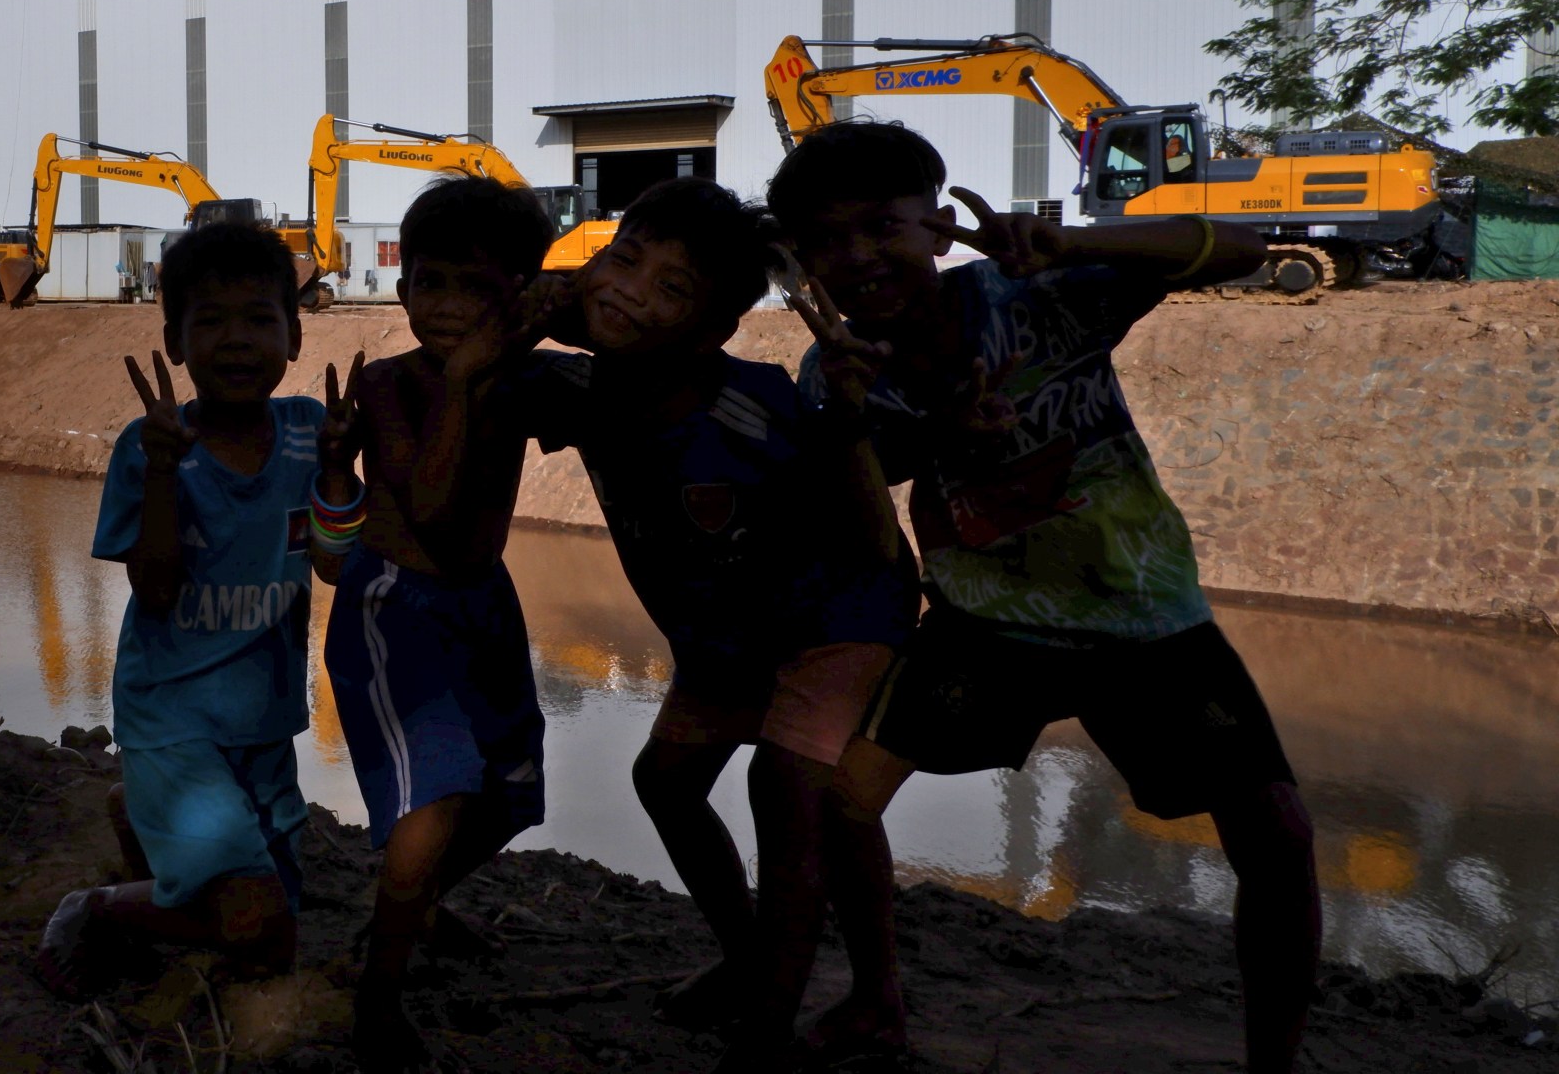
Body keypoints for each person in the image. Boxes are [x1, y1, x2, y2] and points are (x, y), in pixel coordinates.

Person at [767, 121, 1319, 1074]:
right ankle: (876, 1001)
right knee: (845, 804)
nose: (855, 256)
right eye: (826, 240)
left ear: (940, 229)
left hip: (1146, 620)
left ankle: (1276, 1060)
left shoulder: (1039, 293)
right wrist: (874, 424)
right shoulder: (836, 373)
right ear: (805, 264)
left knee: (1276, 832)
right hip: (984, 626)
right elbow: (868, 535)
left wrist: (1080, 239)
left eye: (879, 226)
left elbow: (1241, 247)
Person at [542, 178, 917, 1067]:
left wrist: (853, 417)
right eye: (623, 260)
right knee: (668, 783)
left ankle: (768, 1020)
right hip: (729, 638)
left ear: (712, 331)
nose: (634, 290)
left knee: (792, 800)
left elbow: (871, 536)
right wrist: (545, 307)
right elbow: (498, 347)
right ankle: (753, 959)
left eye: (673, 289)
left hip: (836, 616)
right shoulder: (576, 390)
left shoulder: (756, 408)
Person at [35, 221, 363, 999]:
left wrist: (340, 472)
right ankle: (97, 908)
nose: (237, 340)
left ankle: (137, 813)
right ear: (174, 343)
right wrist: (160, 473)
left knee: (272, 900)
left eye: (259, 319)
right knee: (266, 934)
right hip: (172, 717)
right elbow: (152, 589)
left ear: (295, 332)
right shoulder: (147, 446)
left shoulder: (309, 434)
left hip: (263, 720)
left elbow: (335, 564)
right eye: (209, 321)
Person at [324, 176, 563, 1073]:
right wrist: (463, 383)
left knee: (509, 793)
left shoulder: (532, 376)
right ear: (402, 286)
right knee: (436, 800)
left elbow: (617, 401)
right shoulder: (387, 385)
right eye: (433, 284)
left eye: (480, 289)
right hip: (397, 608)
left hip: (483, 602)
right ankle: (375, 999)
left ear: (517, 296)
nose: (451, 307)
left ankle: (418, 903)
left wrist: (560, 317)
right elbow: (426, 502)